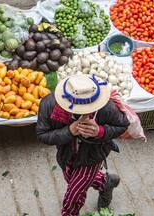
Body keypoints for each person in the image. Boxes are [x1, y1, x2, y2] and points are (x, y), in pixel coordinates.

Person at [36, 74, 130, 215]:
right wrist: (69, 131)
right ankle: (106, 182)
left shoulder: (106, 107)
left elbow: (122, 125)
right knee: (72, 179)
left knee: (73, 196)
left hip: (92, 156)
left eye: (88, 108)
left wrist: (100, 131)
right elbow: (42, 135)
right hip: (66, 154)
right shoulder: (49, 105)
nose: (84, 112)